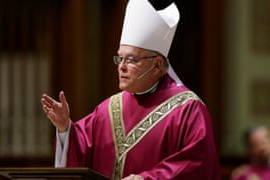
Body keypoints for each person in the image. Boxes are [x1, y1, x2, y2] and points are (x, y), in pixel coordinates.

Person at [41, 0, 220, 179]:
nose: (122, 67)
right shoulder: (108, 109)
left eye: (132, 60)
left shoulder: (187, 109)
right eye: (120, 59)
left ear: (157, 65)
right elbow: (80, 148)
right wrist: (65, 127)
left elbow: (196, 165)